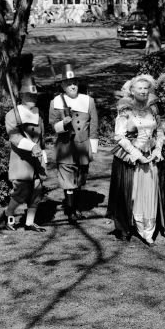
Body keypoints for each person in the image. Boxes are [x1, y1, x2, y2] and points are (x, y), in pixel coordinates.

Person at [106, 73, 165, 245]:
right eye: (139, 88)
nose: (143, 91)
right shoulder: (126, 110)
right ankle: (128, 226)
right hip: (132, 157)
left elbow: (159, 132)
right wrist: (138, 155)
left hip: (151, 156)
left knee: (150, 193)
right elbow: (119, 136)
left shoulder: (153, 109)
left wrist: (158, 149)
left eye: (146, 88)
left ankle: (149, 229)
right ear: (132, 90)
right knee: (132, 193)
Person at [48, 63, 99, 223]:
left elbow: (94, 126)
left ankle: (76, 208)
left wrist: (93, 148)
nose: (72, 86)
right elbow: (53, 126)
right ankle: (70, 212)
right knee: (68, 180)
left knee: (79, 179)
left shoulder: (88, 101)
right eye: (69, 83)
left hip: (83, 147)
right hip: (65, 147)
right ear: (63, 85)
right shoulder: (55, 102)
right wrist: (63, 123)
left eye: (74, 83)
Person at [4, 74, 47, 232]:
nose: (33, 98)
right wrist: (31, 147)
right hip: (21, 160)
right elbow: (14, 137)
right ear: (21, 96)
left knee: (37, 191)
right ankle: (9, 215)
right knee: (21, 191)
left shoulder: (38, 114)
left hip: (37, 160)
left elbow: (41, 137)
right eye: (29, 95)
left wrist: (43, 152)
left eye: (34, 95)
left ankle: (30, 223)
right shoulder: (12, 115)